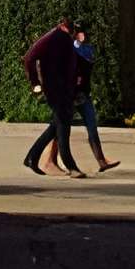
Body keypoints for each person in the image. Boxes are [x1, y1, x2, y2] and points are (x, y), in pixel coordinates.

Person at [37, 25, 119, 175]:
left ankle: (101, 160)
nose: (83, 36)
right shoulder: (67, 50)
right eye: (80, 33)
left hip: (82, 95)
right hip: (69, 96)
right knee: (58, 128)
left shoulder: (86, 50)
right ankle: (49, 160)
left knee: (91, 125)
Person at [21, 18, 82, 178]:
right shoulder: (53, 37)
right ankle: (71, 166)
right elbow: (29, 58)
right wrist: (35, 82)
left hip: (65, 90)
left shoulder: (66, 39)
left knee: (56, 125)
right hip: (54, 88)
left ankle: (32, 157)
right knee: (63, 126)